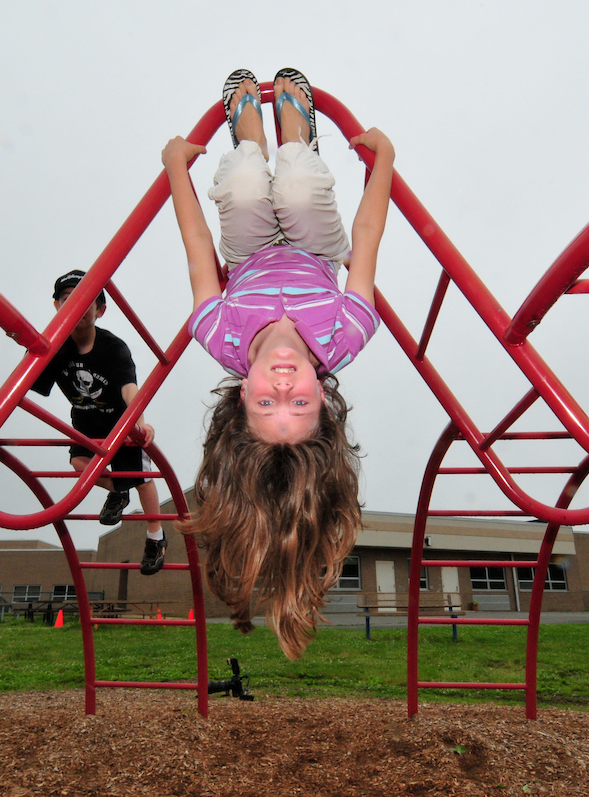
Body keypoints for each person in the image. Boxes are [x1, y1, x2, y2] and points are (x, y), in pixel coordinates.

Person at [162, 68, 395, 659]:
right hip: (316, 250)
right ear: (325, 399)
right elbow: (366, 237)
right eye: (300, 403)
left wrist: (174, 168)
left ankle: (247, 129)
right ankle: (296, 127)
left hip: (249, 255)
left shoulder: (219, 334)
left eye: (269, 403)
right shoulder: (347, 334)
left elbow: (197, 249)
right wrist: (383, 159)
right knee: (295, 184)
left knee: (242, 183)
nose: (285, 383)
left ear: (242, 395)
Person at [31, 270, 167, 575]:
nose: (77, 306)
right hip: (85, 418)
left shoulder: (113, 347)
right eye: (68, 299)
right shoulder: (54, 348)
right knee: (80, 463)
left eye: (87, 301)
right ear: (57, 306)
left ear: (100, 310)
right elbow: (26, 384)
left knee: (141, 476)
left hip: (120, 419)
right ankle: (119, 489)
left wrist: (139, 423)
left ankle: (156, 536)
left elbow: (129, 388)